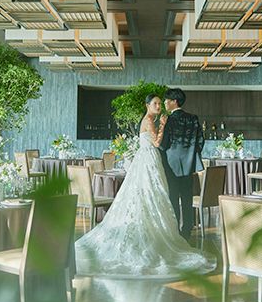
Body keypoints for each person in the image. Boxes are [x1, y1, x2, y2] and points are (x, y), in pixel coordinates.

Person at [75, 94, 215, 279]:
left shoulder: (152, 119)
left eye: (161, 103)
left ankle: (164, 230)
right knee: (152, 193)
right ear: (147, 105)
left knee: (155, 194)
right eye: (155, 103)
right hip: (150, 160)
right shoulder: (151, 120)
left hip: (152, 160)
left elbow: (159, 143)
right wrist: (163, 125)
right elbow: (157, 142)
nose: (159, 105)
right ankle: (167, 231)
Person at [160, 88, 204, 240]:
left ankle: (175, 229)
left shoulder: (169, 120)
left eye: (167, 100)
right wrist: (191, 154)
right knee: (187, 197)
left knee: (173, 197)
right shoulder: (193, 118)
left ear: (174, 101)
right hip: (189, 164)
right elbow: (200, 140)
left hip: (171, 164)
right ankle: (187, 229)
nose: (165, 103)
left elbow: (163, 144)